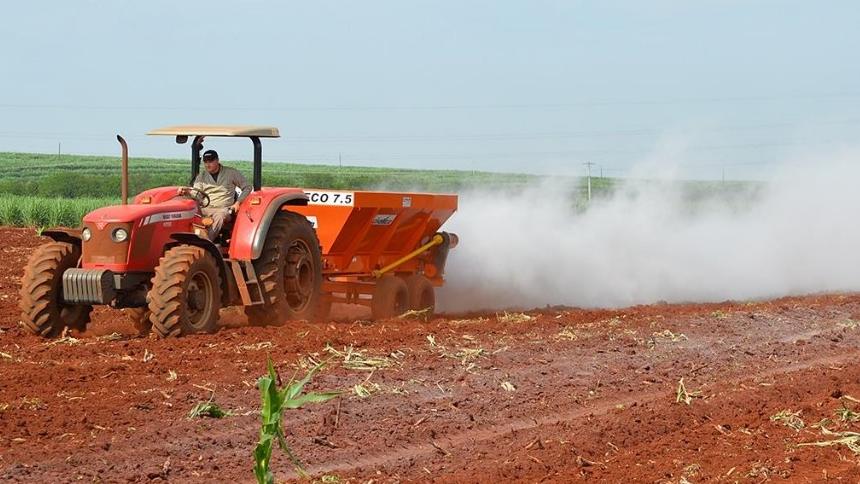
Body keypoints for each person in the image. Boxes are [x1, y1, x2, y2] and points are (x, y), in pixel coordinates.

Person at [178, 149, 251, 241]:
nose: (208, 164)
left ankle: (206, 242)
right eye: (205, 162)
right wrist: (187, 192)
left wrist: (238, 202)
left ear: (217, 160)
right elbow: (197, 195)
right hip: (206, 208)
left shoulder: (231, 173)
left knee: (220, 216)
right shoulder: (202, 176)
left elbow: (247, 187)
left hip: (223, 209)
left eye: (211, 161)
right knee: (188, 213)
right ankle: (185, 240)